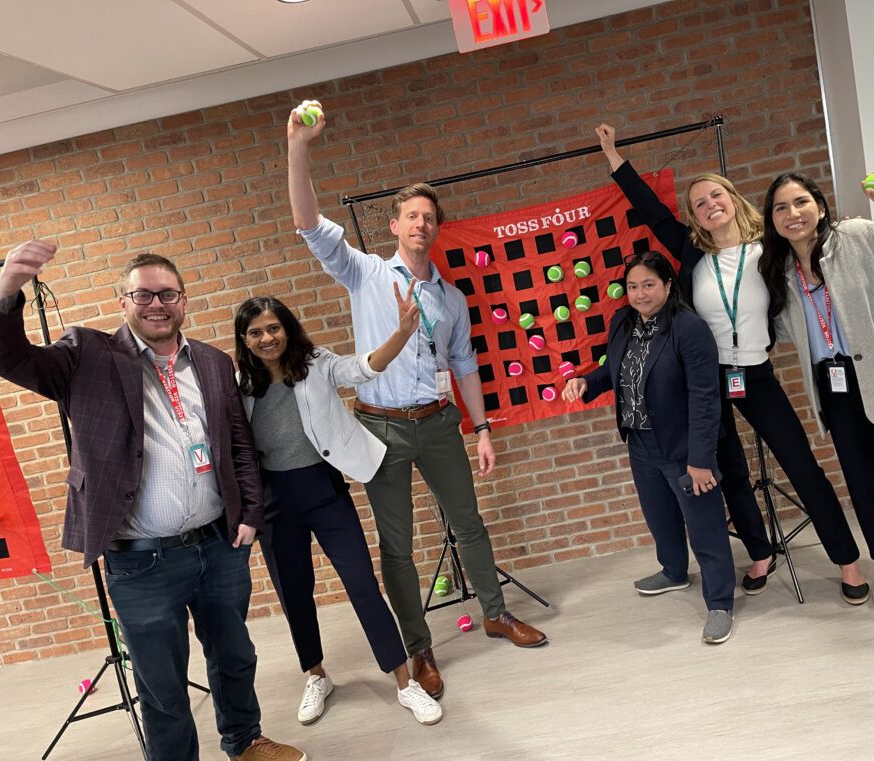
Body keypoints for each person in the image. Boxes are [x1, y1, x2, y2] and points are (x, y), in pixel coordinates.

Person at [0, 244, 304, 761]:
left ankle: (245, 741)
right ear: (123, 301)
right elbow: (10, 357)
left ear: (184, 301)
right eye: (143, 294)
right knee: (160, 682)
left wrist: (250, 514)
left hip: (218, 545)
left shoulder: (211, 360)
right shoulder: (85, 354)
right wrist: (5, 294)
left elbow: (238, 444)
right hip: (140, 560)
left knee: (235, 655)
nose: (156, 303)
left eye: (168, 294)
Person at [286, 104, 547, 700]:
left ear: (437, 228)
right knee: (397, 549)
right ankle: (418, 647)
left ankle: (495, 613)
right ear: (395, 226)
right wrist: (299, 146)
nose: (421, 225)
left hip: (438, 423)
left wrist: (481, 427)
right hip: (381, 429)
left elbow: (464, 365)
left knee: (470, 524)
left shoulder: (451, 299)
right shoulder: (365, 274)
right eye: (411, 216)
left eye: (430, 217)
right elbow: (307, 221)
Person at [596, 124, 869, 603]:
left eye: (715, 195)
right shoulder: (690, 252)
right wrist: (614, 157)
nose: (709, 205)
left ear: (732, 198)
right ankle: (759, 552)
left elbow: (812, 241)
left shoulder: (770, 249)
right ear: (695, 216)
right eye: (699, 202)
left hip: (756, 374)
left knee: (801, 465)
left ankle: (847, 561)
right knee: (730, 475)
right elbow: (651, 211)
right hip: (705, 381)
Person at [234, 293, 442, 726]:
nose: (267, 337)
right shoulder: (241, 386)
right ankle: (316, 676)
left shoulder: (317, 364)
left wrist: (403, 333)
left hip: (323, 489)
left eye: (273, 328)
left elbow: (364, 366)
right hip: (274, 499)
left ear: (286, 328)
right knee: (294, 593)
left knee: (363, 584)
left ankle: (405, 682)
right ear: (245, 339)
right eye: (256, 332)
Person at [758, 172, 874, 639]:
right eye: (780, 208)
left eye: (800, 202)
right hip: (836, 386)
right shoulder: (781, 270)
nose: (792, 214)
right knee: (862, 484)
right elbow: (786, 332)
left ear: (820, 207)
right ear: (773, 220)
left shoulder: (858, 236)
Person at [562, 251, 736, 642]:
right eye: (633, 286)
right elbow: (615, 369)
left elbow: (705, 398)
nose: (640, 294)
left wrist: (701, 459)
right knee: (660, 516)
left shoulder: (689, 328)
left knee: (704, 526)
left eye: (649, 285)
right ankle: (674, 572)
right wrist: (586, 382)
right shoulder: (623, 321)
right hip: (640, 441)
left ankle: (721, 603)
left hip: (682, 444)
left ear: (668, 286)